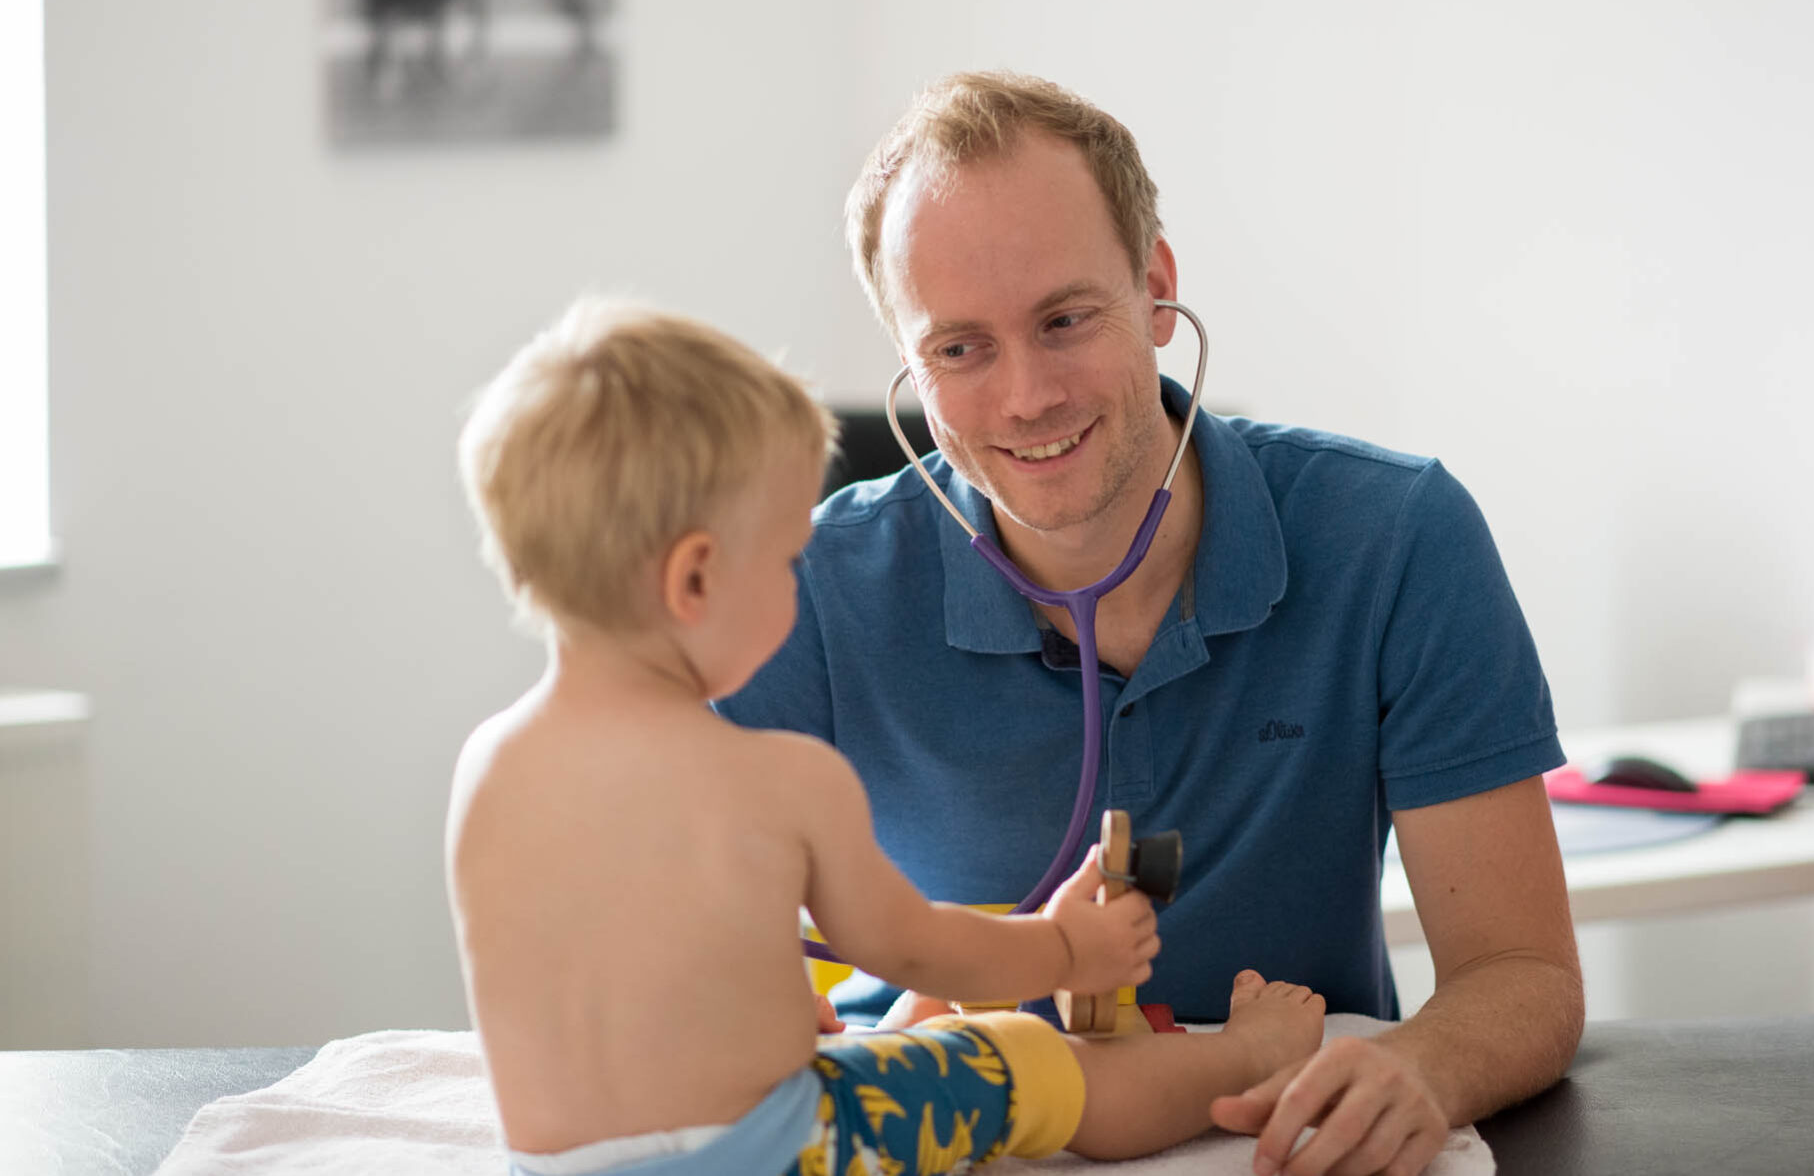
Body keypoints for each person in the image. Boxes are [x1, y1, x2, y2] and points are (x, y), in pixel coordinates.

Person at [716, 73, 1586, 1175]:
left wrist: (1422, 1070)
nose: (1026, 395)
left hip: (1287, 1140)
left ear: (1157, 290)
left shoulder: (1396, 539)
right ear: (910, 362)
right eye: (959, 349)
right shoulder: (807, 589)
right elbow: (672, 944)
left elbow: (1522, 973)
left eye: (1065, 319)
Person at [448, 299, 1329, 1176]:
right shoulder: (777, 778)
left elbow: (611, 977)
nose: (800, 590)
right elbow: (910, 943)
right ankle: (1243, 1057)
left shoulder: (489, 765)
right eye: (785, 559)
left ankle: (921, 1037)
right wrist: (1066, 948)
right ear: (695, 578)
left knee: (904, 1034)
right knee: (1029, 1059)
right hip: (774, 1152)